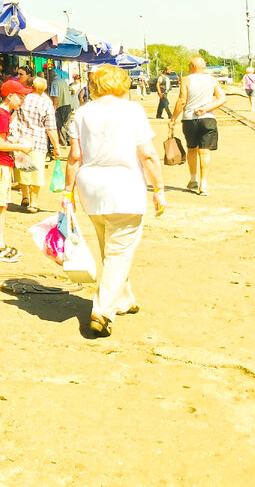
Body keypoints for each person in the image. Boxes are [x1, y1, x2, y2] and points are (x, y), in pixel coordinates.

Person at [65, 64, 165, 337]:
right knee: (119, 251)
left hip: (91, 188)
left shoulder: (82, 112)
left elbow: (75, 156)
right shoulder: (131, 110)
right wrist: (159, 188)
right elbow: (148, 154)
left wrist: (67, 192)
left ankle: (124, 299)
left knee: (111, 248)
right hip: (124, 187)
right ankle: (102, 311)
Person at [0, 79, 34, 262]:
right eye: (20, 97)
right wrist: (20, 147)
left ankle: (0, 244)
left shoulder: (3, 115)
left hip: (2, 164)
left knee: (1, 206)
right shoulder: (2, 116)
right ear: (10, 96)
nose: (22, 100)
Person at [169, 56, 227, 195]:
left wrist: (173, 118)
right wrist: (206, 109)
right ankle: (204, 184)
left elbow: (182, 101)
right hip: (208, 119)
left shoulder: (186, 79)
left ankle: (193, 180)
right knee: (205, 151)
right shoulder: (212, 80)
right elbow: (222, 98)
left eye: (189, 65)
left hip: (190, 119)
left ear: (192, 66)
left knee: (192, 149)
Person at [15, 77, 63, 213]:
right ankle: (33, 203)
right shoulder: (46, 103)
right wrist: (57, 147)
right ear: (44, 89)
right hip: (38, 141)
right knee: (36, 172)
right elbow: (51, 128)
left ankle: (24, 196)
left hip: (22, 139)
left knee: (23, 170)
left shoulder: (23, 99)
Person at [47, 68, 75, 140]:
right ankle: (68, 139)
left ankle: (63, 142)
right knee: (66, 124)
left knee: (61, 125)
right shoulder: (63, 81)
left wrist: (54, 107)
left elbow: (56, 96)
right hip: (68, 104)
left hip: (60, 105)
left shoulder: (54, 83)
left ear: (50, 76)